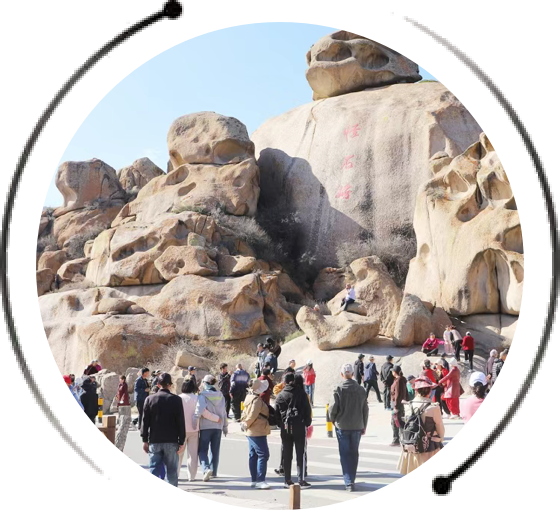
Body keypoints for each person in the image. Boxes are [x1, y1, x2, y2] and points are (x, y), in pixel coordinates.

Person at [328, 364, 369, 492]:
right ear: (352, 374)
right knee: (354, 453)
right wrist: (364, 425)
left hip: (342, 425)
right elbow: (365, 409)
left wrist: (333, 420)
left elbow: (332, 409)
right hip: (357, 425)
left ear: (342, 374)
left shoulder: (338, 389)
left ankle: (348, 482)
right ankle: (352, 479)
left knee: (344, 454)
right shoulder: (361, 390)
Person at [141, 373, 185, 488]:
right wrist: (181, 441)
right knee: (172, 471)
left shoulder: (149, 399)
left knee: (154, 469)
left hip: (154, 440)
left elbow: (145, 422)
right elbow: (180, 421)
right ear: (170, 385)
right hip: (172, 440)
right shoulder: (176, 400)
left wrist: (145, 440)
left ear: (158, 384)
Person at [397, 377, 445, 474]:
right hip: (429, 446)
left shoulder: (408, 405)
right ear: (429, 390)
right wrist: (440, 438)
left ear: (416, 390)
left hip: (411, 445)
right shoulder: (433, 407)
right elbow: (440, 427)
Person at [178, 379, 221, 482]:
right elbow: (204, 412)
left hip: (181, 430)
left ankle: (175, 474)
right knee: (193, 455)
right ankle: (191, 476)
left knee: (179, 453)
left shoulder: (178, 398)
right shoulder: (197, 398)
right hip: (194, 430)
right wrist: (216, 418)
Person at [275, 373, 312, 489]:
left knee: (287, 454)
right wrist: (306, 423)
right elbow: (307, 411)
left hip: (285, 428)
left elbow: (276, 414)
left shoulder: (280, 395)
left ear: (285, 382)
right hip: (299, 427)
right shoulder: (301, 393)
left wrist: (281, 425)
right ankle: (301, 480)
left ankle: (287, 480)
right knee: (300, 453)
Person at [195, 375, 228, 481]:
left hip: (205, 427)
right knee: (215, 450)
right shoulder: (220, 395)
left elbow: (200, 410)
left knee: (202, 450)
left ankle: (206, 468)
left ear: (205, 383)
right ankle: (214, 472)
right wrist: (225, 426)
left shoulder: (202, 395)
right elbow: (224, 412)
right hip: (218, 427)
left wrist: (195, 420)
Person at [241, 379, 272, 489]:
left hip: (251, 431)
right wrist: (246, 424)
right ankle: (260, 480)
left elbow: (246, 413)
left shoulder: (248, 397)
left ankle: (254, 480)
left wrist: (244, 424)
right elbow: (253, 415)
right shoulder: (257, 400)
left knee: (253, 455)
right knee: (263, 454)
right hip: (257, 430)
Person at [390, 365, 408, 447]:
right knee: (399, 421)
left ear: (395, 372)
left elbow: (397, 394)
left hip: (397, 404)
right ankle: (403, 439)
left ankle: (397, 439)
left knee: (396, 422)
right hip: (398, 403)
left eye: (392, 371)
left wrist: (396, 406)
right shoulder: (401, 380)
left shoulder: (398, 381)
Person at [115, 375, 131, 452]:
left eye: (120, 379)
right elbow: (118, 392)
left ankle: (121, 424)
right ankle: (119, 423)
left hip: (123, 402)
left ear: (123, 379)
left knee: (123, 415)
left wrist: (121, 401)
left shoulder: (124, 385)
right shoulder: (120, 385)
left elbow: (124, 394)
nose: (120, 380)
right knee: (119, 414)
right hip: (119, 401)